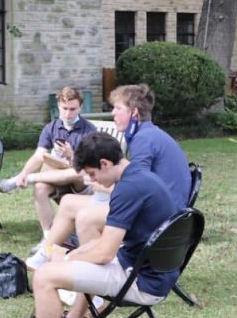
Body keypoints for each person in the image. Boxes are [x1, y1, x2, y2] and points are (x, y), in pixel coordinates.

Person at [0, 132, 178, 318]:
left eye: (93, 175)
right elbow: (105, 246)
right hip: (156, 271)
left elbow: (105, 253)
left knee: (44, 277)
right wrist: (75, 255)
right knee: (82, 235)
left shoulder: (128, 189)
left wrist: (68, 259)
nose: (93, 181)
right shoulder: (139, 173)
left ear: (105, 163)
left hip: (141, 281)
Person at [25, 84, 190, 270]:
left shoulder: (143, 140)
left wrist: (100, 184)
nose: (113, 113)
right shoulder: (149, 134)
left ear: (133, 113)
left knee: (86, 216)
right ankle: (45, 253)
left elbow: (138, 187)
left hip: (159, 219)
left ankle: (95, 273)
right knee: (68, 202)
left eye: (118, 108)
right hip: (166, 213)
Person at [0, 87, 97, 265]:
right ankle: (48, 238)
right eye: (64, 108)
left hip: (81, 182)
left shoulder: (88, 131)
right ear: (58, 106)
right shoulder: (52, 128)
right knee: (41, 188)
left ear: (80, 108)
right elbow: (39, 155)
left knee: (75, 171)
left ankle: (30, 179)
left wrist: (71, 154)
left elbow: (90, 167)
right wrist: (25, 172)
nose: (67, 113)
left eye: (72, 109)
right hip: (56, 177)